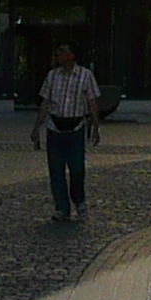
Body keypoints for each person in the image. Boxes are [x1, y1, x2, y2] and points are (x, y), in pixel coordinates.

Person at [32, 42, 103, 222]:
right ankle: (62, 207)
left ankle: (79, 201)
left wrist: (96, 127)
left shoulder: (85, 75)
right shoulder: (52, 76)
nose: (58, 55)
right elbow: (45, 103)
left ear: (71, 55)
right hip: (54, 127)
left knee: (77, 169)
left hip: (76, 128)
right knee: (56, 170)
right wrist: (36, 128)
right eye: (58, 52)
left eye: (62, 52)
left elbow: (93, 102)